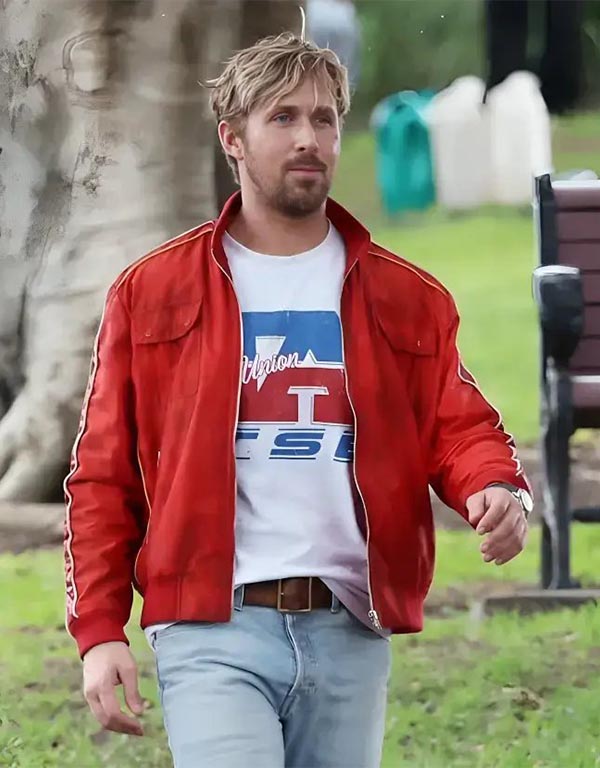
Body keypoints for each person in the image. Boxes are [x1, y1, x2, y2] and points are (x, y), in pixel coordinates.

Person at [64, 32, 533, 768]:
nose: (308, 138)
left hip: (349, 627)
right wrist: (99, 632)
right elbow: (102, 476)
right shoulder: (152, 292)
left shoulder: (405, 295)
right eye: (282, 118)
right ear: (233, 139)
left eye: (324, 119)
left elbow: (457, 423)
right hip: (210, 627)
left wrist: (497, 485)